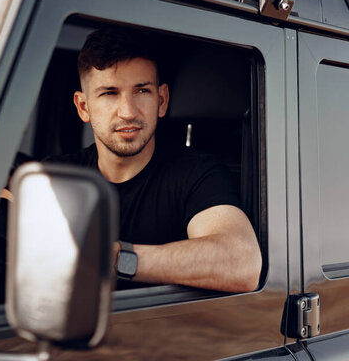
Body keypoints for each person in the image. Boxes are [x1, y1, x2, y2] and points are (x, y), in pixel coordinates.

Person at [46, 28, 261, 292]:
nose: (127, 112)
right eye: (109, 93)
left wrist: (110, 259)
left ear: (161, 100)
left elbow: (242, 263)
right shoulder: (53, 177)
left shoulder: (196, 174)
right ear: (83, 107)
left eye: (142, 91)